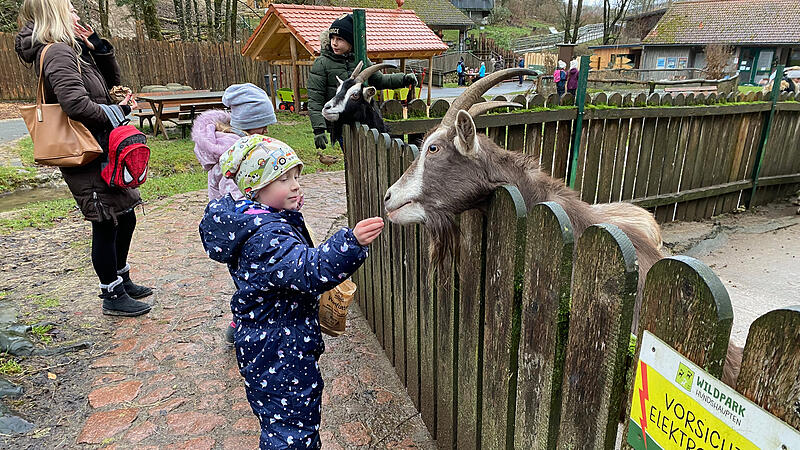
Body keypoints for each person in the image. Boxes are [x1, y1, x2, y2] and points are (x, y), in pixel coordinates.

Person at [199, 136, 384, 448]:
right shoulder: (266, 237)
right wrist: (350, 243)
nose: (295, 185)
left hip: (275, 339)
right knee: (291, 430)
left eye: (296, 176)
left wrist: (288, 213)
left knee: (285, 421)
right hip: (279, 349)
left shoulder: (255, 220)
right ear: (255, 187)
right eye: (283, 179)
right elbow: (309, 269)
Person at [15, 0, 151, 316]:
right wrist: (119, 112)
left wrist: (98, 48)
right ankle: (111, 295)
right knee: (106, 221)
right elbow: (75, 105)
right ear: (55, 13)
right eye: (71, 9)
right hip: (85, 150)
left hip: (104, 146)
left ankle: (121, 279)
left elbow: (111, 85)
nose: (77, 13)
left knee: (126, 215)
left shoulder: (74, 50)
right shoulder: (58, 53)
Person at [191, 82, 278, 345]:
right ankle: (243, 325)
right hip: (243, 229)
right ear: (247, 124)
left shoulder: (235, 146)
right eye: (261, 125)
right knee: (254, 281)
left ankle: (245, 322)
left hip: (236, 229)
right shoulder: (236, 155)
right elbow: (240, 198)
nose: (266, 131)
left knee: (247, 279)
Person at [308, 13, 417, 150]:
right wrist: (319, 129)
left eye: (340, 39)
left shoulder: (360, 60)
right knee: (352, 156)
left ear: (351, 41)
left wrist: (403, 79)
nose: (334, 43)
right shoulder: (322, 63)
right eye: (332, 38)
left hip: (364, 123)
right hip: (341, 124)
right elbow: (315, 99)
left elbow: (380, 80)